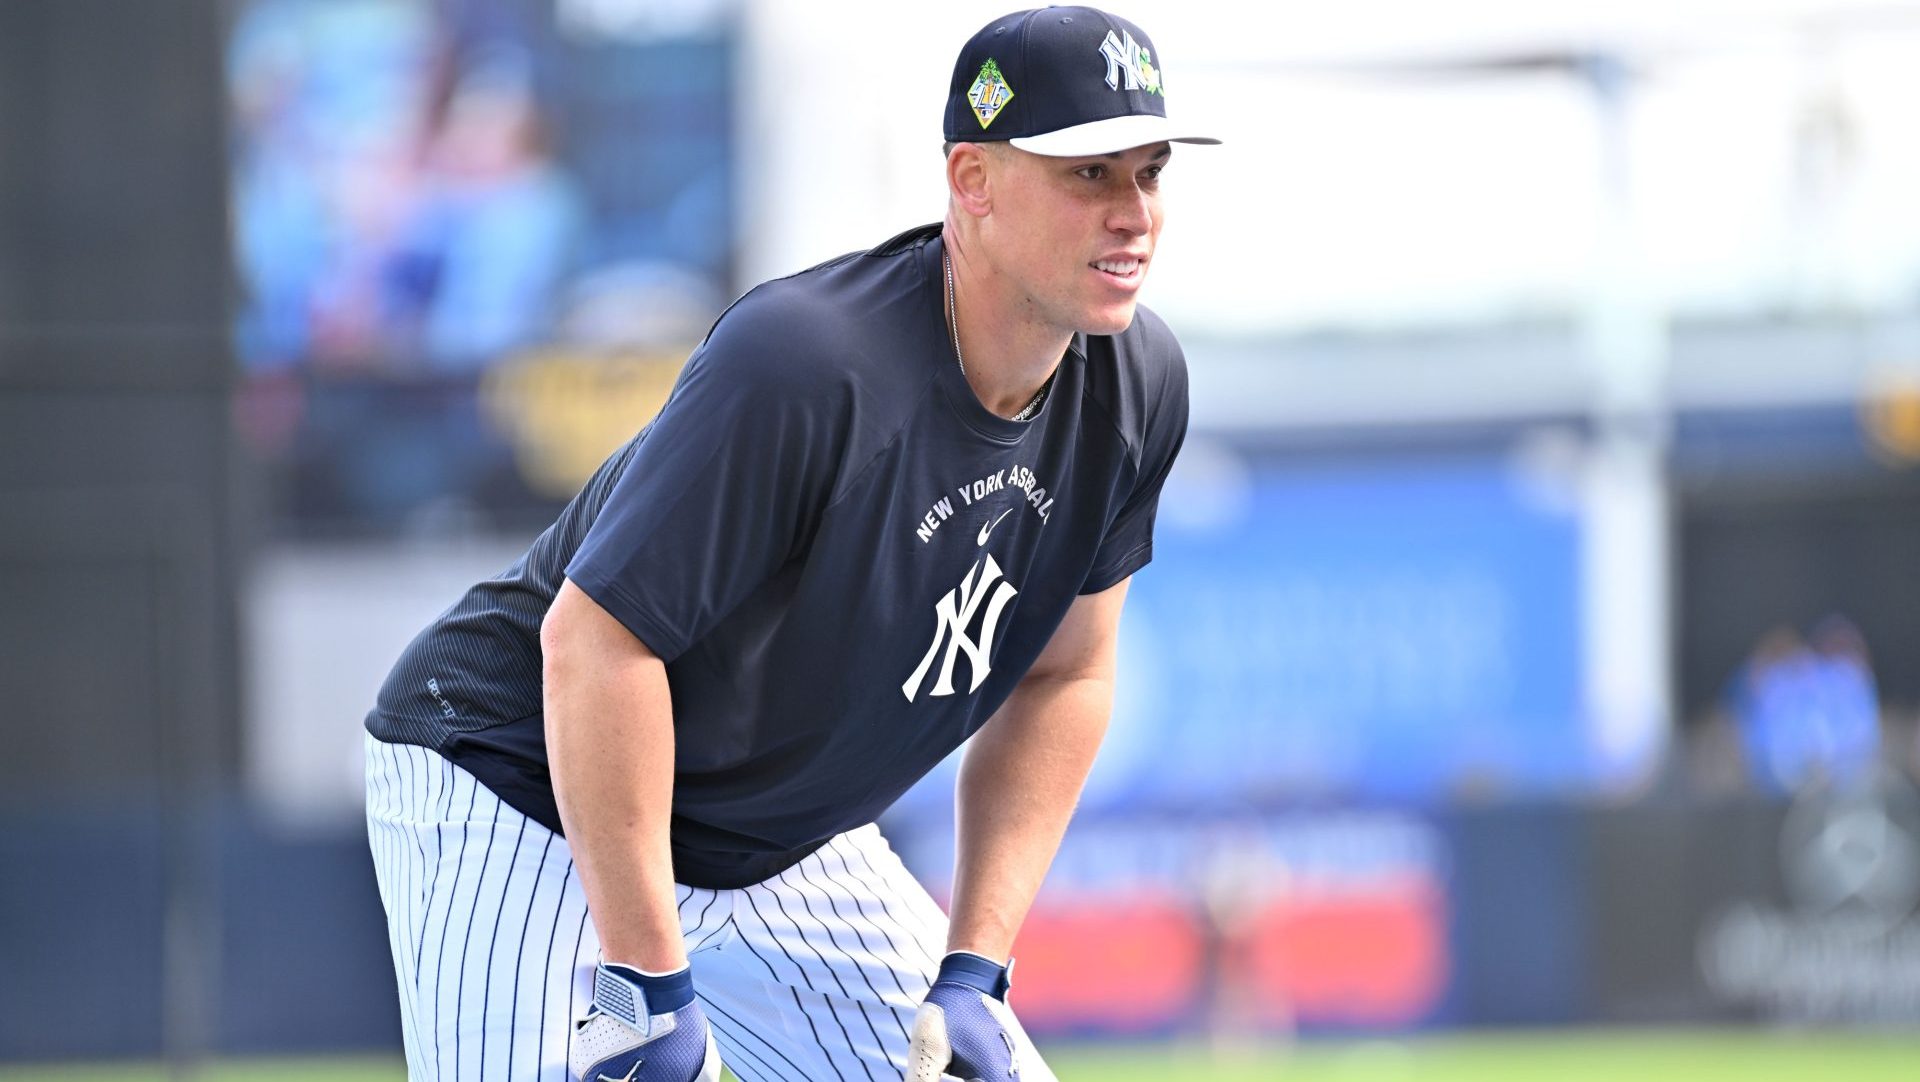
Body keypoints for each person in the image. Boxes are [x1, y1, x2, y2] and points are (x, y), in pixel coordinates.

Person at [362, 7, 1217, 1080]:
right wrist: (645, 983)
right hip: (522, 778)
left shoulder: (1138, 385)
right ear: (972, 181)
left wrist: (976, 966)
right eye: (1088, 174)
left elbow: (1067, 671)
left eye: (1149, 172)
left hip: (774, 844)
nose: (1134, 212)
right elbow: (593, 642)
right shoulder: (809, 362)